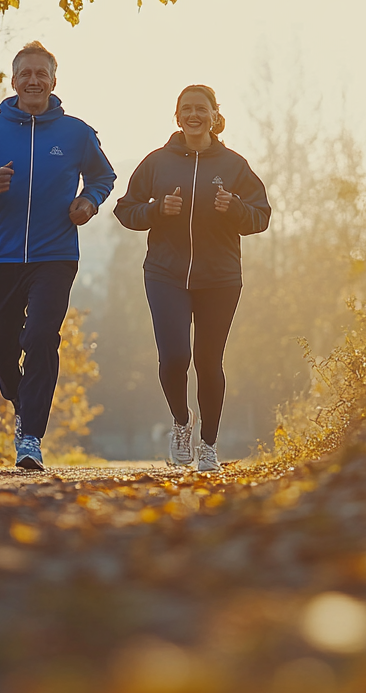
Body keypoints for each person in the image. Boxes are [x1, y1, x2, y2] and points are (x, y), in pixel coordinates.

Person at [0, 42, 116, 470]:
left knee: (41, 338)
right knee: (2, 352)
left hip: (54, 255)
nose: (34, 80)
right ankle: (21, 403)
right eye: (27, 74)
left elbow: (103, 176)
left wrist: (88, 203)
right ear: (14, 80)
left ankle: (31, 437)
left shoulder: (76, 132)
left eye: (42, 73)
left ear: (54, 81)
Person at [114, 84, 271, 471]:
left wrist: (234, 207)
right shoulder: (157, 162)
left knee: (208, 362)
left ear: (215, 115)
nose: (193, 115)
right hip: (166, 274)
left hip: (219, 277)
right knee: (174, 358)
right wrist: (155, 211)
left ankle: (209, 445)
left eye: (201, 108)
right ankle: (182, 424)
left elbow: (261, 216)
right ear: (177, 115)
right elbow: (125, 209)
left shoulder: (233, 165)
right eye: (186, 109)